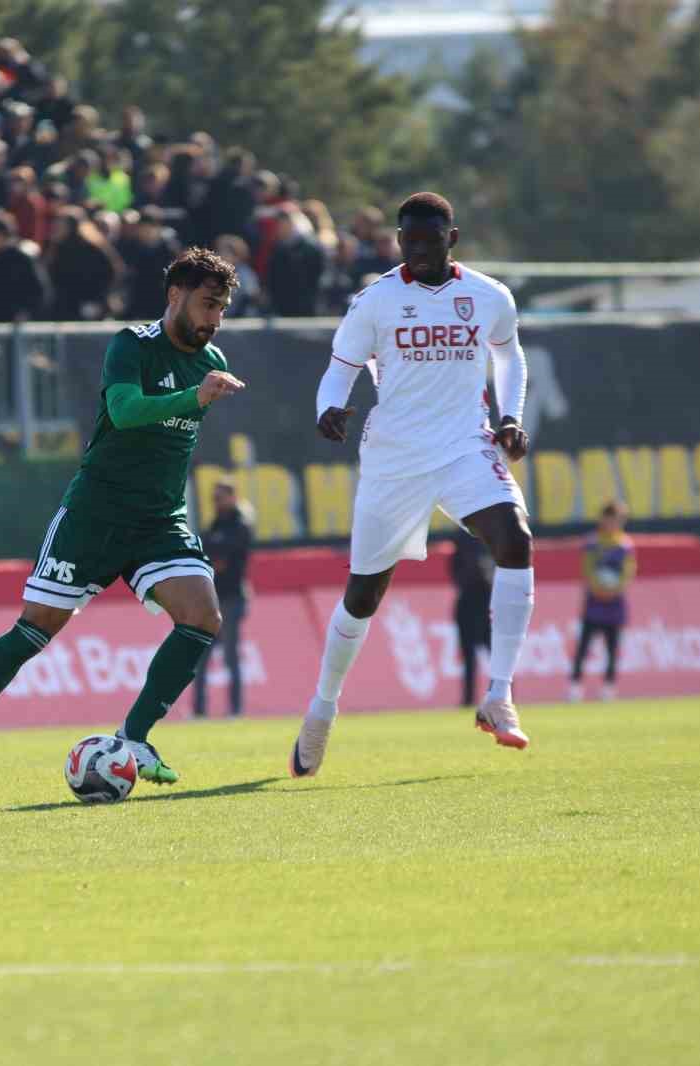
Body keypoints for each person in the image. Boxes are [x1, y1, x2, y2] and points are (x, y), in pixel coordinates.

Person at [0, 248, 247, 794]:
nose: (215, 318)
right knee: (35, 630)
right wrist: (193, 396)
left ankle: (134, 737)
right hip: (95, 514)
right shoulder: (131, 345)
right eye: (208, 304)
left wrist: (197, 392)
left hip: (159, 519)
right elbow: (124, 411)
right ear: (175, 296)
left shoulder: (210, 359)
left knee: (203, 616)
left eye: (222, 308)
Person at [290, 191, 535, 777]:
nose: (419, 250)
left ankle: (498, 694)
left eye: (431, 240)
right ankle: (322, 708)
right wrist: (328, 409)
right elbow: (340, 371)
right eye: (410, 240)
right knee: (363, 596)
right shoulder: (375, 301)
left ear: (453, 239)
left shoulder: (489, 296)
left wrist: (509, 417)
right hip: (394, 458)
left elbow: (510, 359)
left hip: (464, 445)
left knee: (516, 540)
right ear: (399, 240)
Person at [192, 479, 253, 718]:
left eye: (220, 497)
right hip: (211, 599)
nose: (216, 502)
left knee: (230, 656)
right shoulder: (215, 525)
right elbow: (205, 554)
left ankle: (235, 710)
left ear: (232, 497)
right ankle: (199, 711)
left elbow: (226, 556)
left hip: (232, 599)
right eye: (214, 498)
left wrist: (216, 554)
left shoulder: (240, 525)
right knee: (201, 655)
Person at [570, 501, 636, 702]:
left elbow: (628, 572)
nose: (612, 524)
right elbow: (587, 569)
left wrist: (614, 590)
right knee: (583, 648)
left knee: (612, 649)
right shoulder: (593, 543)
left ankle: (608, 687)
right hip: (594, 604)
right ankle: (575, 686)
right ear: (602, 520)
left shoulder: (624, 545)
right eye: (609, 520)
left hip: (614, 605)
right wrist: (597, 588)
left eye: (617, 520)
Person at [449, 527, 493, 708]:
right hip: (473, 603)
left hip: (483, 603)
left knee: (492, 654)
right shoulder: (469, 538)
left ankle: (501, 696)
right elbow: (456, 572)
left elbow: (456, 573)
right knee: (473, 655)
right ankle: (471, 699)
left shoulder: (488, 537)